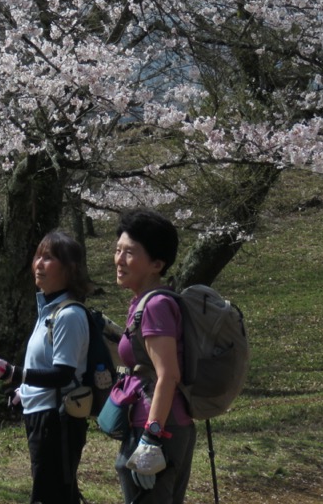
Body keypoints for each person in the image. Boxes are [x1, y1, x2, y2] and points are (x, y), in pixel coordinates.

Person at [0, 231, 92, 504]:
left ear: (70, 269)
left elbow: (62, 374)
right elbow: (44, 368)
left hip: (57, 422)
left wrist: (12, 373)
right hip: (41, 417)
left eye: (49, 258)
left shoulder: (68, 315)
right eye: (38, 256)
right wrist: (23, 392)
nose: (39, 264)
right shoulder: (48, 311)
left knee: (49, 496)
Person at [111, 208, 196, 504]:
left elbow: (168, 375)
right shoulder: (143, 301)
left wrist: (152, 438)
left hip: (159, 428)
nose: (120, 260)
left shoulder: (156, 305)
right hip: (154, 424)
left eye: (130, 253)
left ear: (156, 264)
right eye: (118, 250)